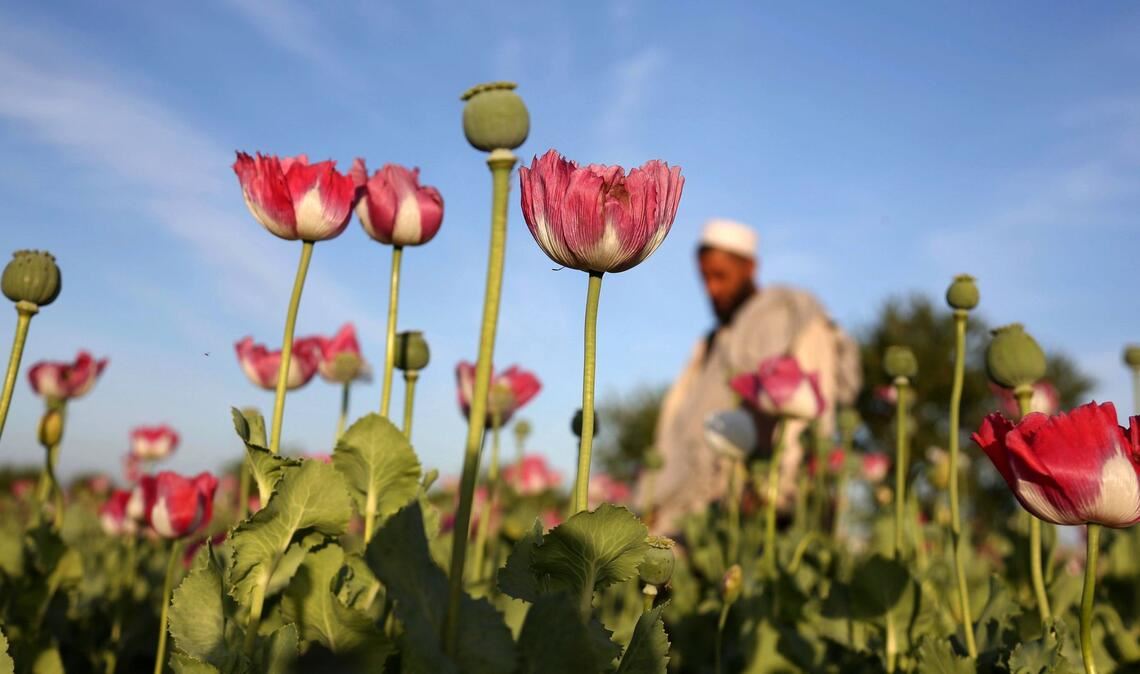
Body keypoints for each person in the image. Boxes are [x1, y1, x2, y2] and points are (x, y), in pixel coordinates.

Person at [639, 219, 861, 533]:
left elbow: (811, 411)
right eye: (704, 278)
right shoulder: (711, 344)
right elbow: (675, 425)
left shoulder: (792, 317)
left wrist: (777, 491)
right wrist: (654, 495)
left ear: (750, 268)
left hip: (760, 507)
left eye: (720, 276)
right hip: (694, 510)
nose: (711, 289)